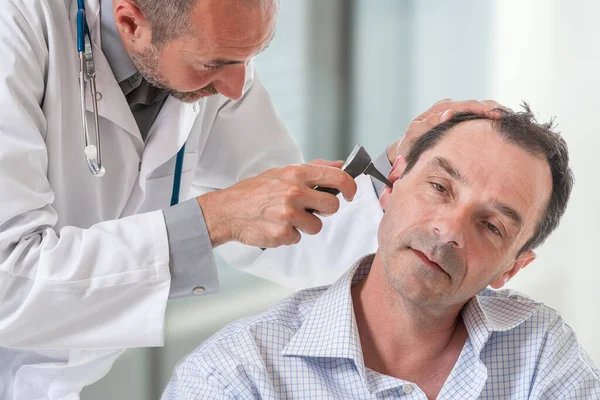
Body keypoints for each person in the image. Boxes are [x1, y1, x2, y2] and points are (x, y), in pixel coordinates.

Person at [0, 0, 502, 398]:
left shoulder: (216, 63)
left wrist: (398, 177)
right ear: (131, 22)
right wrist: (215, 219)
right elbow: (10, 281)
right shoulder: (16, 32)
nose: (237, 85)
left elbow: (288, 227)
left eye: (250, 57)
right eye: (214, 63)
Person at [163, 104, 600, 400]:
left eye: (490, 226)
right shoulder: (235, 376)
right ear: (390, 184)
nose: (448, 230)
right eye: (439, 187)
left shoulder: (541, 352)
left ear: (514, 266)